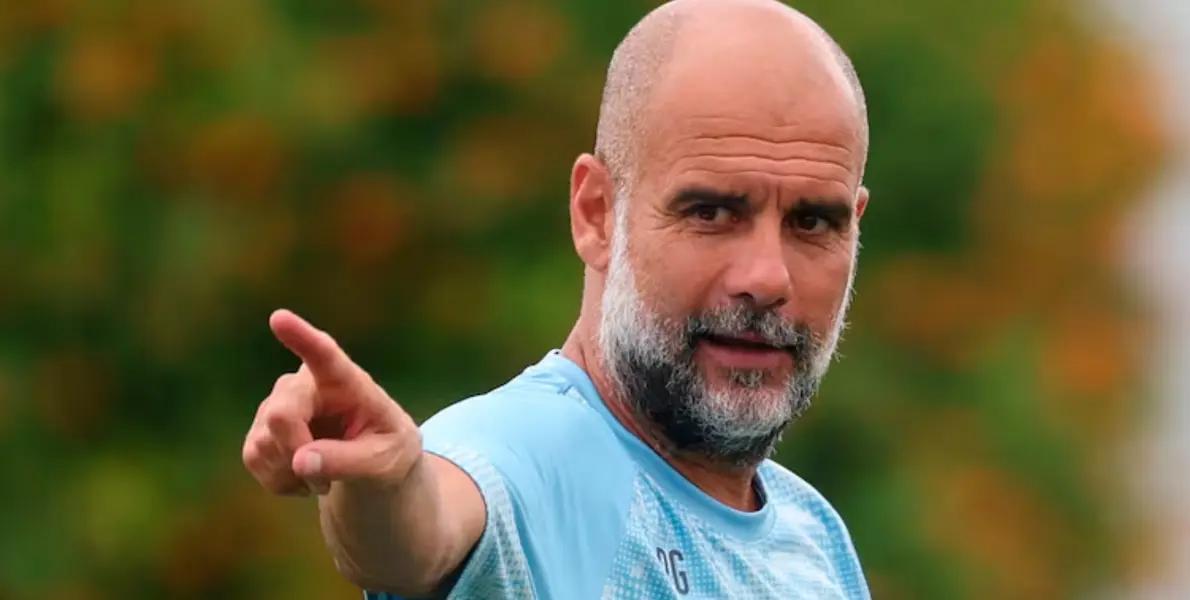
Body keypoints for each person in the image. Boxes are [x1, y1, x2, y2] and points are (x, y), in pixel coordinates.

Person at [242, 0, 872, 597]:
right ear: (596, 214)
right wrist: (378, 483)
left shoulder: (814, 541)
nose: (767, 278)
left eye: (813, 222)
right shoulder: (530, 454)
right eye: (710, 212)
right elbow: (418, 534)